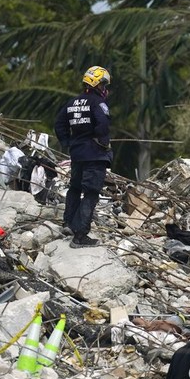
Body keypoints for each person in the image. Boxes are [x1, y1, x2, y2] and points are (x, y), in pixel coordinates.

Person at [54, 65, 112, 249]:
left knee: (75, 188)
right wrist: (102, 142)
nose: (105, 88)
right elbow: (103, 125)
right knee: (91, 192)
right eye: (104, 84)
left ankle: (68, 224)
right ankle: (80, 236)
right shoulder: (98, 103)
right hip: (94, 155)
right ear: (97, 84)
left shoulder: (72, 103)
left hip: (77, 154)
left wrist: (68, 142)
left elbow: (59, 124)